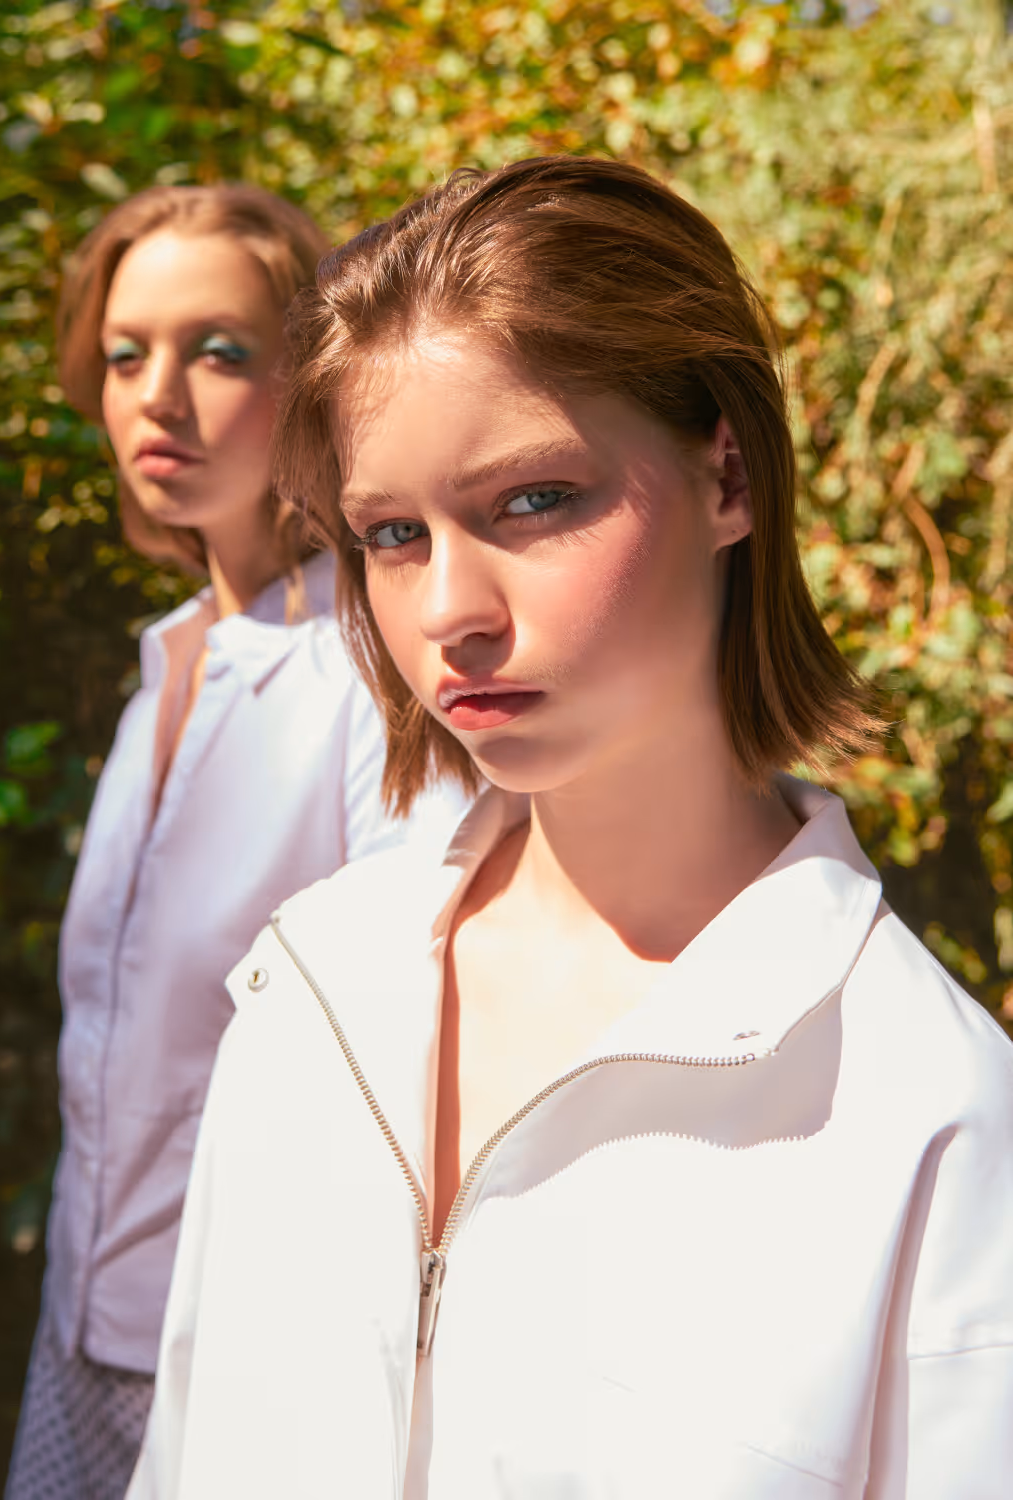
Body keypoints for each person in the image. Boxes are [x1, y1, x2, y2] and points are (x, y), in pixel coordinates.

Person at [128, 159, 1013, 1500]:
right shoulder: (306, 987)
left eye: (533, 500)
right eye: (392, 534)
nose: (449, 611)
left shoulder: (931, 1118)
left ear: (727, 474)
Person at [4, 183, 464, 1500]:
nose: (158, 396)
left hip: (252, 1362)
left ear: (311, 379)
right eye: (124, 356)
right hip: (80, 1325)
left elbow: (419, 1034)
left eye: (218, 351)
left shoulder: (371, 672)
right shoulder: (167, 663)